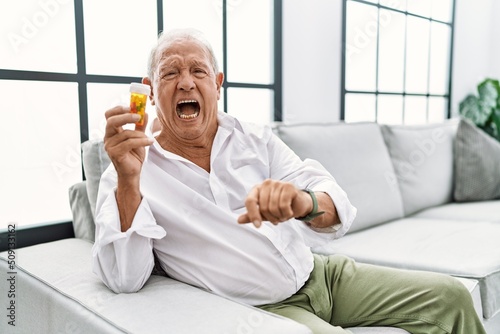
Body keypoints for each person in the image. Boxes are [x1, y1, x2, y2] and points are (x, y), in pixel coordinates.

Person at [92, 28, 486, 334]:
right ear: (149, 88)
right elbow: (125, 279)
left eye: (198, 71)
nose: (186, 82)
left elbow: (336, 206)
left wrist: (301, 202)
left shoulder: (254, 138)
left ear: (218, 83)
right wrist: (129, 181)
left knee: (450, 297)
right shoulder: (129, 168)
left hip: (322, 274)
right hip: (264, 308)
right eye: (170, 73)